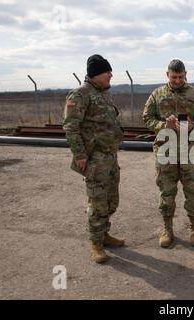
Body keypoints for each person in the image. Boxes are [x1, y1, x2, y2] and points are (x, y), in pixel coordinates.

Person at [63, 54, 125, 264]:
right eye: (107, 71)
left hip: (110, 157)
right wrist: (79, 155)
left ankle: (105, 234)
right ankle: (96, 243)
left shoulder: (104, 94)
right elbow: (71, 128)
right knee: (97, 202)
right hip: (94, 159)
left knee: (111, 200)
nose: (110, 75)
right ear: (96, 73)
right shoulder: (80, 94)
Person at [143, 59, 194, 248]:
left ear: (185, 74)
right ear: (167, 75)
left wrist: (193, 125)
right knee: (166, 193)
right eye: (174, 77)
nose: (178, 80)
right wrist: (163, 125)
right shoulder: (157, 94)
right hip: (166, 151)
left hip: (190, 152)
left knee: (193, 192)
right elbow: (147, 117)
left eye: (181, 77)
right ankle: (167, 229)